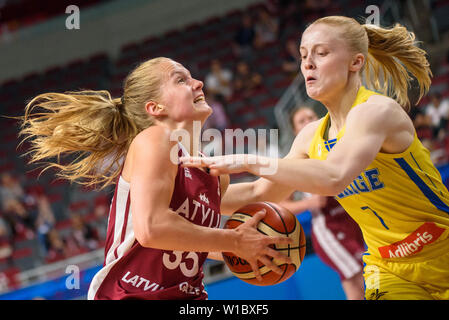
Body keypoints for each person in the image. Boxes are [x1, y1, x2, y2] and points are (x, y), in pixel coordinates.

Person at [182, 16, 449, 300]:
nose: (308, 63)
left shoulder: (376, 111)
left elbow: (334, 177)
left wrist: (250, 161)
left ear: (355, 62)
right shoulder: (311, 136)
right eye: (303, 56)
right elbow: (259, 191)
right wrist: (188, 202)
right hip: (389, 267)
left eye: (321, 53)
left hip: (441, 249)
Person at [19, 57, 292, 300]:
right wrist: (233, 242)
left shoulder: (209, 171)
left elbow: (258, 194)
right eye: (181, 79)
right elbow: (153, 229)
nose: (198, 83)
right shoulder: (155, 139)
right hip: (126, 294)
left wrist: (308, 151)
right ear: (155, 107)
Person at [280, 105, 365, 300]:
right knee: (357, 281)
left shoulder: (334, 145)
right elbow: (281, 204)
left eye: (311, 116)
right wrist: (308, 204)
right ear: (295, 131)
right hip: (329, 228)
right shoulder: (297, 161)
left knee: (364, 281)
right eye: (302, 120)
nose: (308, 121)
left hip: (354, 219)